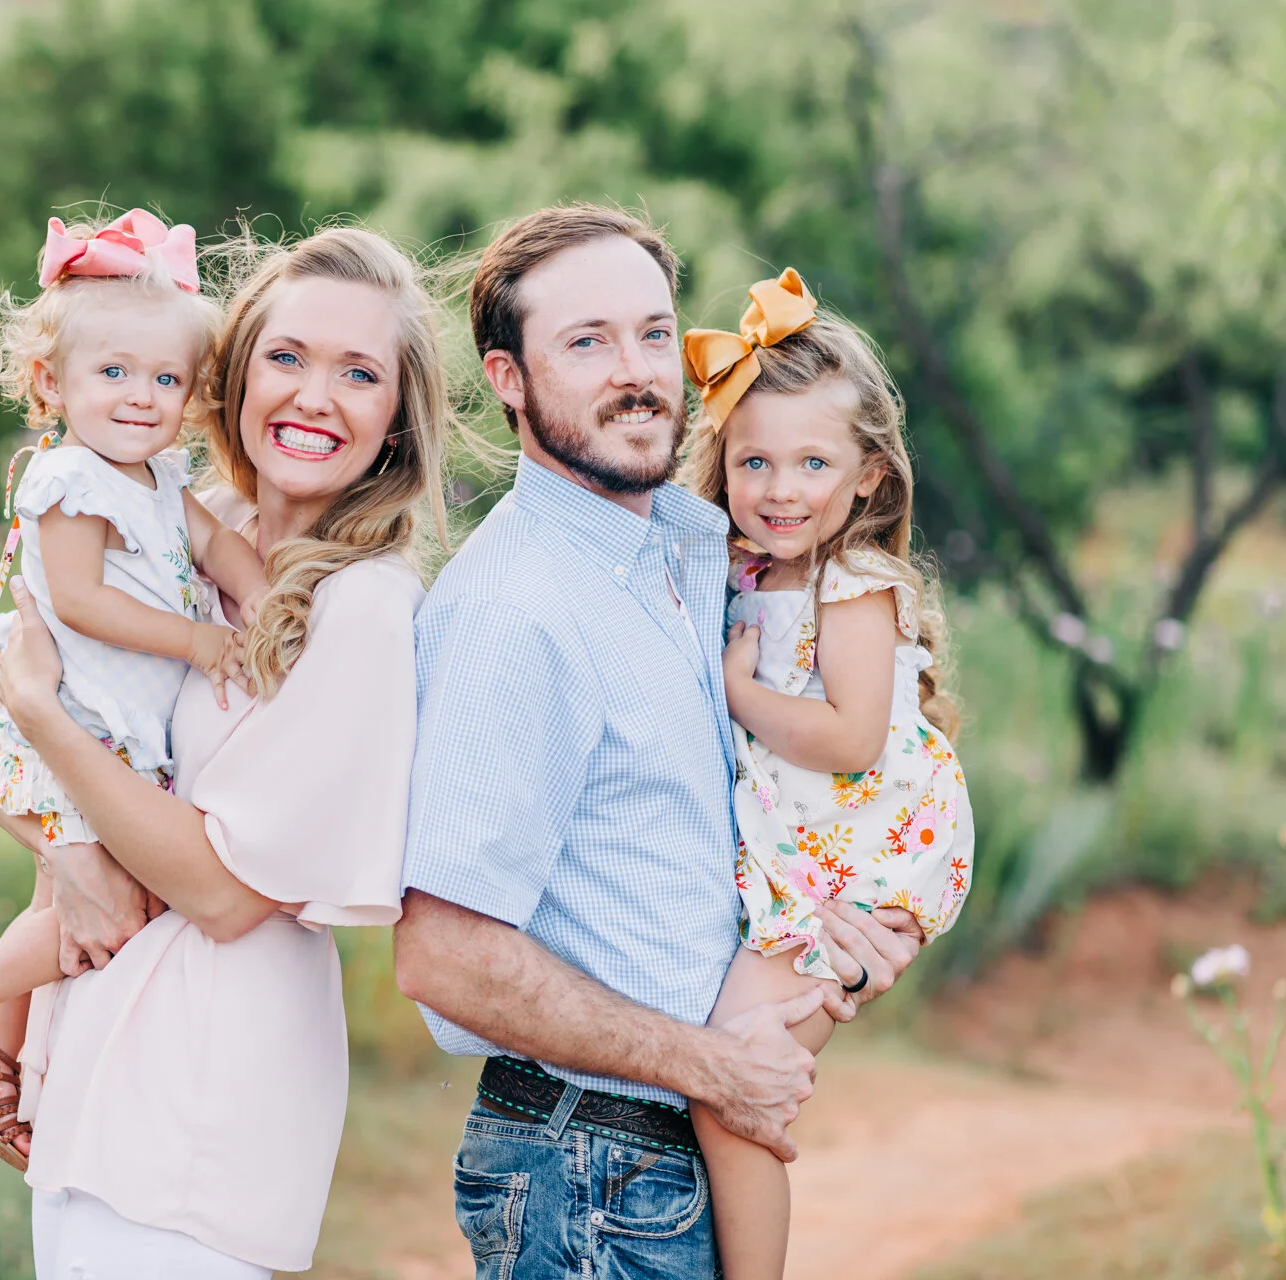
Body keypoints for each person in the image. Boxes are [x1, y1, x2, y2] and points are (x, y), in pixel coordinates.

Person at [392, 204, 927, 1277]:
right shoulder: (519, 607)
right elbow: (443, 952)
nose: (635, 370)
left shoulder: (691, 550)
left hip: (669, 1156)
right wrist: (713, 1065)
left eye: (651, 331)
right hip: (586, 1165)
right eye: (585, 342)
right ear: (507, 377)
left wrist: (837, 961)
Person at [0, 225, 454, 1277]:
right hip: (91, 1063)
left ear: (396, 418)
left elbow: (223, 893)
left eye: (359, 372)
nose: (314, 395)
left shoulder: (364, 607)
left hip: (205, 1089)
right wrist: (71, 854)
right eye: (288, 357)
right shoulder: (174, 520)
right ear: (236, 369)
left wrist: (50, 726)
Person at [0, 209, 271, 1168]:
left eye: (164, 379)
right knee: (113, 898)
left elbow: (220, 543)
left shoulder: (156, 477)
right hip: (73, 722)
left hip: (115, 732)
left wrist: (274, 598)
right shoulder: (69, 479)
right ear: (50, 383)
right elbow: (80, 599)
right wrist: (196, 639)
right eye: (113, 373)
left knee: (60, 902)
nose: (141, 397)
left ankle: (7, 1077)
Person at [681, 267, 974, 1278]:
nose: (780, 488)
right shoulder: (748, 571)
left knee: (733, 1088)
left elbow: (849, 737)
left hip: (858, 869)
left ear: (868, 479)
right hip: (806, 858)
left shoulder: (856, 583)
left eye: (812, 461)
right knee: (727, 1082)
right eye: (754, 460)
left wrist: (735, 691)